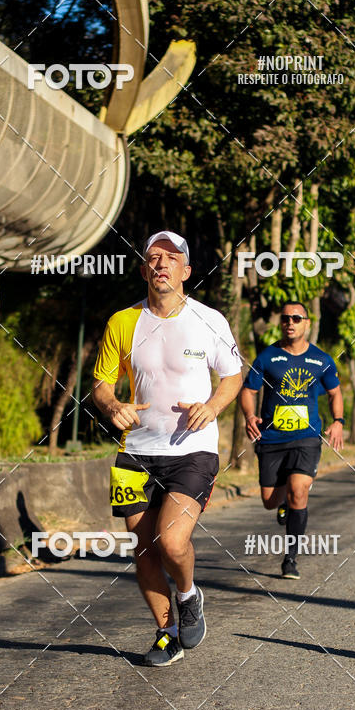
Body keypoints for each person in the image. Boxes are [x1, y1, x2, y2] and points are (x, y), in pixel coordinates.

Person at [92, 231, 242, 667]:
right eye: (153, 258)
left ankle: (189, 594)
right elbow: (102, 382)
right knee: (143, 549)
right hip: (136, 451)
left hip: (193, 450)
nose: (161, 264)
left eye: (171, 258)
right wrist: (113, 405)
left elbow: (232, 375)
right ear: (143, 270)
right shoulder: (122, 322)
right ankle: (166, 632)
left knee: (172, 541)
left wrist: (213, 406)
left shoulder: (210, 320)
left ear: (186, 271)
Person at [239, 301, 343, 580]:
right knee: (269, 501)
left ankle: (291, 558)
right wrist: (249, 416)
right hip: (271, 438)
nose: (290, 322)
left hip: (306, 437)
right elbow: (249, 391)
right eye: (286, 318)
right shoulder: (267, 357)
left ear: (307, 323)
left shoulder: (322, 360)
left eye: (297, 318)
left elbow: (335, 393)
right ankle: (283, 500)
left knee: (299, 488)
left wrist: (338, 421)